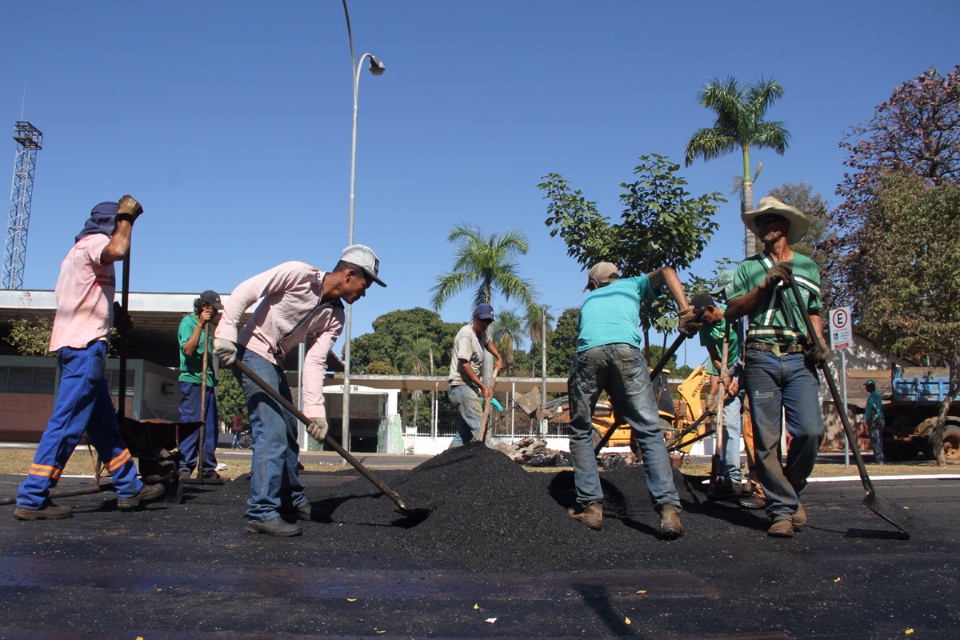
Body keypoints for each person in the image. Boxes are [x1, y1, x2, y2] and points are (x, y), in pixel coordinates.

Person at [213, 244, 385, 537]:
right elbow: (246, 290)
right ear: (350, 274)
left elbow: (315, 362)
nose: (365, 292)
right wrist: (226, 335)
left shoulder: (336, 318)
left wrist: (315, 413)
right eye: (365, 284)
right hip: (251, 350)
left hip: (274, 361)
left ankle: (291, 499)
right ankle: (261, 511)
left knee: (290, 430)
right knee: (272, 431)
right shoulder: (299, 274)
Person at [14, 197, 165, 520]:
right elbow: (118, 250)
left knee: (102, 425)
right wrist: (127, 218)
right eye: (118, 225)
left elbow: (86, 296)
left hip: (76, 345)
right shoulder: (96, 243)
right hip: (84, 347)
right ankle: (32, 495)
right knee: (66, 423)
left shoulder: (74, 254)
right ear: (111, 224)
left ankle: (128, 486)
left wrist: (115, 314)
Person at [566, 262, 701, 539]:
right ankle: (668, 511)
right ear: (617, 277)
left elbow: (589, 342)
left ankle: (591, 507)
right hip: (626, 352)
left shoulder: (589, 300)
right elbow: (667, 272)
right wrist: (685, 311)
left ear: (593, 283)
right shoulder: (632, 285)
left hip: (588, 354)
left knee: (581, 430)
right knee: (649, 430)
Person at [725, 196, 830, 538]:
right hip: (761, 356)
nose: (762, 228)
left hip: (800, 359)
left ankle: (788, 490)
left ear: (784, 226)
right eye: (759, 223)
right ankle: (782, 511)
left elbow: (813, 310)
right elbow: (733, 310)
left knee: (810, 432)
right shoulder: (748, 268)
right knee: (766, 441)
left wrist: (819, 341)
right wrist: (766, 283)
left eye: (769, 222)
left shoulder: (808, 267)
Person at [692, 292, 743, 496]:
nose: (702, 322)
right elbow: (714, 357)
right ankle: (731, 477)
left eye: (703, 317)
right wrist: (727, 375)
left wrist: (737, 376)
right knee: (729, 424)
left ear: (711, 309)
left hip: (748, 371)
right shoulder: (704, 331)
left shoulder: (735, 317)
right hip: (728, 378)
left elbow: (746, 349)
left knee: (754, 427)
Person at [178, 290, 224, 483]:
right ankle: (185, 467)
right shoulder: (188, 323)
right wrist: (200, 324)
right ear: (204, 306)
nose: (215, 313)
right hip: (192, 381)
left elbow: (218, 348)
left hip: (209, 381)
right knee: (191, 424)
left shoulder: (211, 327)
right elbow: (188, 350)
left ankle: (207, 467)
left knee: (210, 427)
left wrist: (213, 328)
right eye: (213, 309)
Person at [446, 303, 505, 448]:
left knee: (464, 434)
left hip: (469, 387)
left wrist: (499, 357)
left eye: (488, 321)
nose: (485, 324)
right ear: (474, 317)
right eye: (482, 320)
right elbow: (464, 364)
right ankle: (489, 466)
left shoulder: (481, 333)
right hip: (460, 386)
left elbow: (488, 343)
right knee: (480, 425)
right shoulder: (466, 334)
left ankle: (447, 464)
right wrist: (483, 386)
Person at [864, 379, 885, 464]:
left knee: (875, 439)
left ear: (872, 386)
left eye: (867, 386)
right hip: (878, 418)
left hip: (876, 419)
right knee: (877, 439)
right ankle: (879, 458)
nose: (866, 388)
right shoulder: (875, 395)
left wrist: (871, 420)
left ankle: (879, 459)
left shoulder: (874, 396)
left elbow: (874, 409)